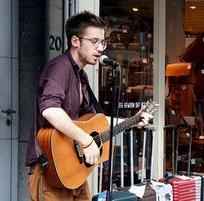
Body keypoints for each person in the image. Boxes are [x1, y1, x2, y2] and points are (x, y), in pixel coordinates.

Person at [25, 10, 153, 201]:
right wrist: (86, 141)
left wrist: (132, 121)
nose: (101, 48)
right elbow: (50, 110)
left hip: (74, 171)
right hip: (52, 168)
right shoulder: (60, 68)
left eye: (102, 42)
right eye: (94, 41)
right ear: (75, 41)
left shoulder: (81, 75)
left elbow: (95, 122)